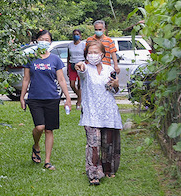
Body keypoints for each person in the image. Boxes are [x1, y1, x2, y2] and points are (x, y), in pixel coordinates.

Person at [19, 29, 73, 170]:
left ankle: (47, 161)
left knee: (49, 130)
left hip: (52, 98)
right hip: (35, 98)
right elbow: (26, 79)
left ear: (50, 42)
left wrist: (68, 97)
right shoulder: (30, 58)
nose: (44, 42)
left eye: (47, 40)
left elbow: (61, 79)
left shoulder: (55, 59)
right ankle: (36, 145)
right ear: (36, 41)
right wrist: (22, 96)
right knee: (39, 127)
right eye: (41, 39)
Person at [75, 40, 123, 185]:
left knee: (108, 143)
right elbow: (81, 72)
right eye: (90, 53)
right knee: (93, 143)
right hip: (91, 112)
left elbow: (114, 90)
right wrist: (80, 66)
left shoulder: (109, 69)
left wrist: (116, 85)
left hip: (108, 111)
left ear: (102, 54)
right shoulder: (85, 69)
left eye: (96, 52)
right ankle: (93, 174)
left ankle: (109, 170)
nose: (93, 55)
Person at [66, 29, 86, 108]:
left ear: (80, 36)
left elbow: (85, 55)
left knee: (80, 84)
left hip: (81, 64)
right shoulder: (70, 45)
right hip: (72, 64)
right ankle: (80, 96)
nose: (76, 36)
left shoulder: (83, 45)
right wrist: (68, 68)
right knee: (72, 84)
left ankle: (79, 102)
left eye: (77, 34)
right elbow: (68, 56)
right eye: (74, 34)